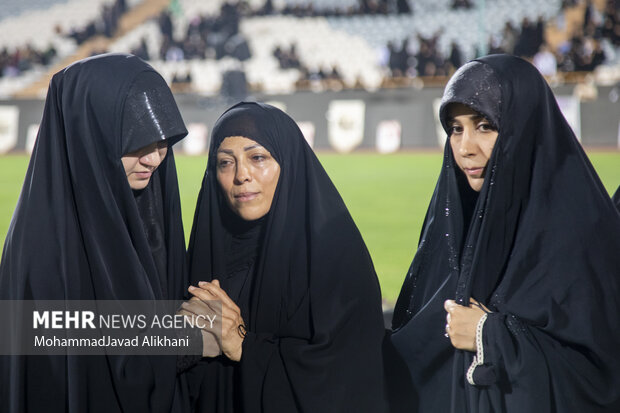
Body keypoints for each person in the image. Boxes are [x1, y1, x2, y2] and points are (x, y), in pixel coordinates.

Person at [386, 54, 620, 412]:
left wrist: (489, 336)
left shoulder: (583, 236)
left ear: (524, 128)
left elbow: (601, 380)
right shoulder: (452, 223)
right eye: (456, 128)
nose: (465, 148)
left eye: (484, 126)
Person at [0, 54, 188, 412]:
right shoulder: (41, 253)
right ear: (90, 136)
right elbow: (98, 367)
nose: (154, 159)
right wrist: (195, 338)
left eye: (161, 140)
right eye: (137, 143)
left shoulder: (146, 211)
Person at [181, 102, 387, 413]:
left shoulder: (335, 259)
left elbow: (346, 381)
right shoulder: (210, 251)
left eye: (258, 158)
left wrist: (242, 345)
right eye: (225, 163)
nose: (241, 176)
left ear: (289, 163)